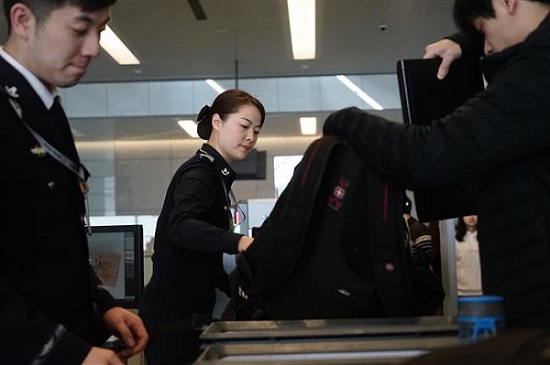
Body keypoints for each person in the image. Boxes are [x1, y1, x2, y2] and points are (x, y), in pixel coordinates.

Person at [323, 0, 550, 328]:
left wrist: (345, 119)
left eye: (483, 31)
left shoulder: (538, 70)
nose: (486, 47)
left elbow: (426, 154)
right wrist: (465, 44)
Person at [0, 1, 149, 364]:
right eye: (80, 29)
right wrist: (63, 352)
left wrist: (100, 305)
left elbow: (45, 238)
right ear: (23, 20)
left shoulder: (43, 105)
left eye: (101, 30)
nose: (93, 48)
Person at [139, 89, 266, 365]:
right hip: (173, 318)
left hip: (189, 314)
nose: (251, 137)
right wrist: (239, 242)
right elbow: (182, 226)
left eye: (256, 130)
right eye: (244, 126)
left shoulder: (216, 175)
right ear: (217, 122)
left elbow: (203, 253)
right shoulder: (200, 172)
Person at [403, 196, 434, 268]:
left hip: (419, 275)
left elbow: (428, 255)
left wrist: (405, 260)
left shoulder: (417, 229)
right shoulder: (409, 228)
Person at [455, 215, 483, 296]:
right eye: (467, 214)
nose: (471, 217)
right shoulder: (455, 240)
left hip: (482, 289)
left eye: (474, 214)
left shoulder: (486, 237)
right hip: (461, 290)